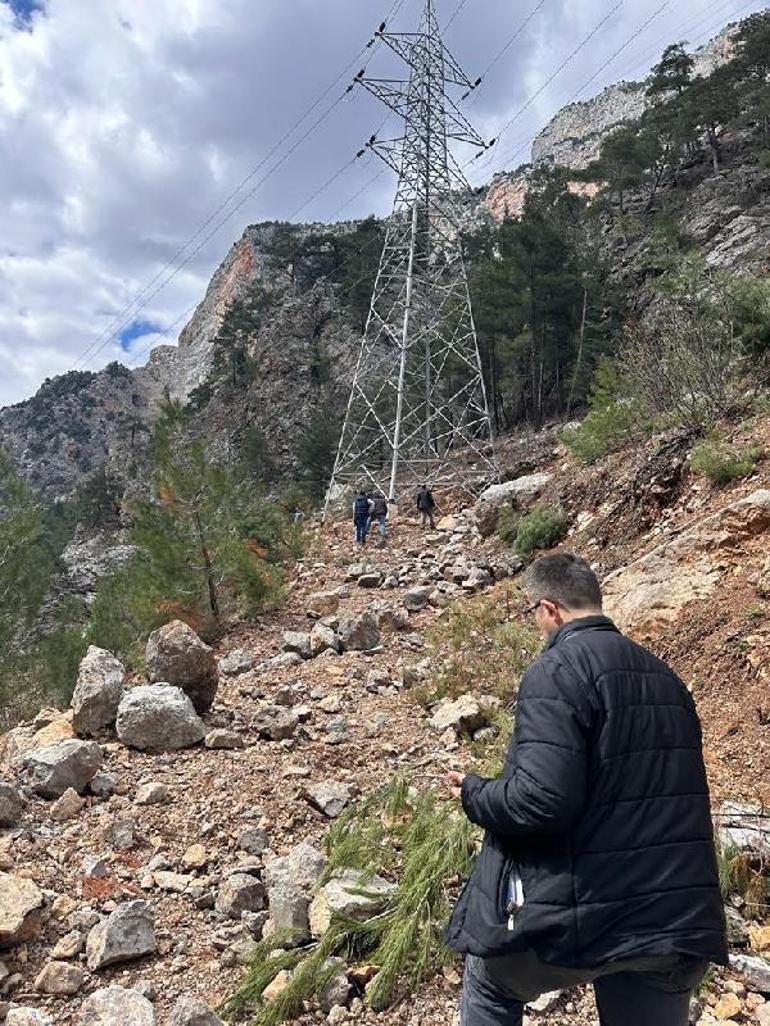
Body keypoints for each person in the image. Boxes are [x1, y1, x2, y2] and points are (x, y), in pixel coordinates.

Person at [446, 552, 727, 1026]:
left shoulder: (556, 670)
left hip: (585, 917)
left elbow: (540, 801)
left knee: (490, 980)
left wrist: (474, 793)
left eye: (532, 612)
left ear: (550, 609)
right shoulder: (667, 679)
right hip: (670, 920)